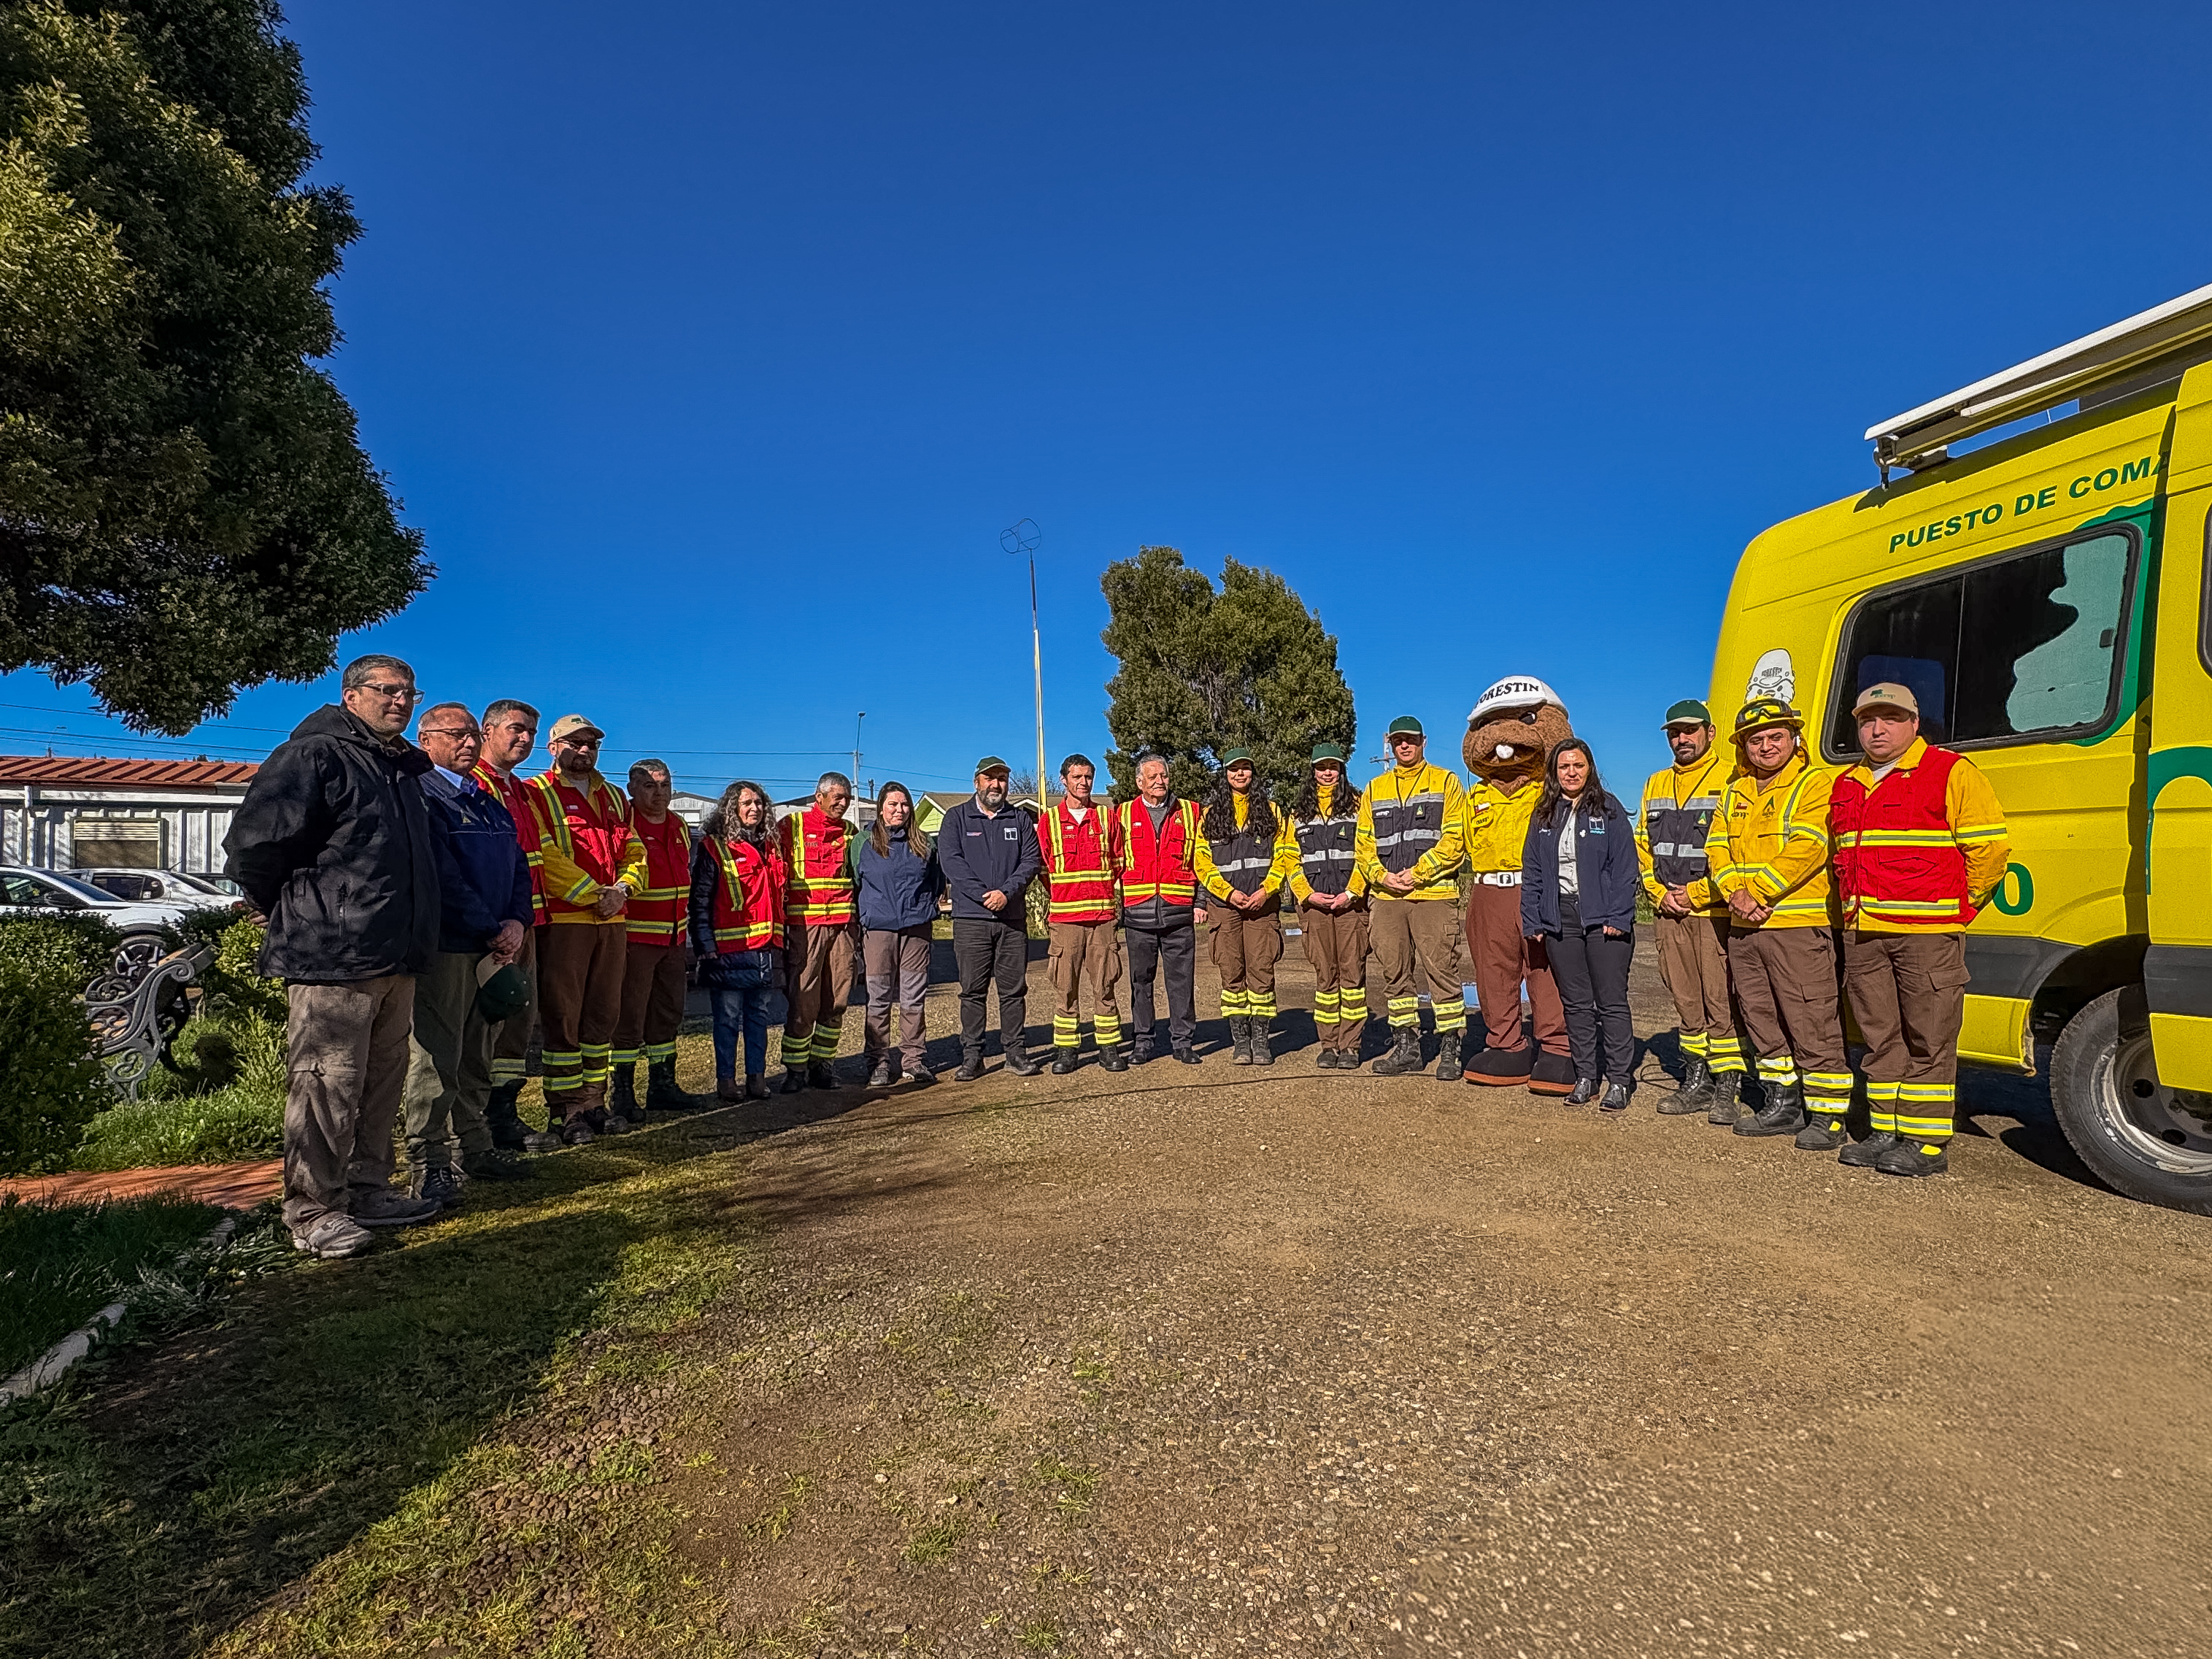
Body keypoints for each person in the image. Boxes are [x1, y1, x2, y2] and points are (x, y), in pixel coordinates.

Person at [223, 653, 442, 1260]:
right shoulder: (314, 755)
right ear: (351, 697)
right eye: (385, 690)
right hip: (332, 953)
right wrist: (287, 907)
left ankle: (369, 1188)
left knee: (379, 1080)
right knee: (326, 1083)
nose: (399, 700)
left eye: (408, 691)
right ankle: (312, 1209)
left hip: (394, 953)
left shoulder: (398, 767)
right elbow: (252, 847)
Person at [1830, 682, 2011, 1176]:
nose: (1877, 728)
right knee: (1878, 1036)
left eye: (1889, 718)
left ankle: (1925, 1141)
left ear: (1913, 723)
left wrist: (1957, 908)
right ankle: (1884, 1130)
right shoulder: (1847, 784)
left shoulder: (1950, 772)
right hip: (1864, 933)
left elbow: (1989, 852)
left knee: (1928, 1037)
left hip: (1926, 934)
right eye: (1867, 720)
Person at [398, 703, 536, 1207]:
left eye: (473, 734)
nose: (469, 743)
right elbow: (443, 876)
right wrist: (489, 926)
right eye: (456, 735)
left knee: (480, 1050)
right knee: (439, 1054)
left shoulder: (484, 799)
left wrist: (517, 920)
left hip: (494, 946)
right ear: (426, 739)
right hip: (449, 945)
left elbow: (519, 864)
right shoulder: (423, 796)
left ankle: (475, 1146)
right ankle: (428, 1162)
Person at [1702, 698, 1850, 1142]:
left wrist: (1757, 891)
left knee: (1811, 1018)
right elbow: (1716, 849)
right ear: (1744, 747)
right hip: (1746, 925)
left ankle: (1829, 1115)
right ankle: (1780, 1102)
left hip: (1796, 924)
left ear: (1794, 739)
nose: (1765, 747)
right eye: (1755, 741)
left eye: (1775, 737)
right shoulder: (1735, 792)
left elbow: (1809, 847)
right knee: (1761, 1017)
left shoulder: (1813, 784)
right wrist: (1735, 894)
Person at [525, 714, 644, 1145]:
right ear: (553, 747)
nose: (585, 750)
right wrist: (594, 893)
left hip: (612, 919)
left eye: (592, 744)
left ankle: (596, 1101)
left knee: (602, 1015)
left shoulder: (613, 797)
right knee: (563, 1016)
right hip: (566, 920)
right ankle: (565, 1111)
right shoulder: (535, 793)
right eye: (575, 743)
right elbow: (542, 854)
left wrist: (623, 889)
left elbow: (634, 849)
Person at [1634, 699, 1746, 1120]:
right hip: (1668, 912)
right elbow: (1642, 845)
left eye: (1690, 731)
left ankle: (1728, 1087)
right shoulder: (1656, 782)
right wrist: (1657, 892)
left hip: (1713, 914)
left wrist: (1697, 895)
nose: (1682, 739)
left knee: (1720, 1001)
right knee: (1684, 998)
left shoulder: (1733, 777)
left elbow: (1735, 847)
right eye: (1674, 733)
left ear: (1710, 733)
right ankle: (1695, 1080)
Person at [1520, 739, 1639, 1111]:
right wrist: (1533, 917)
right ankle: (1586, 1075)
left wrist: (1619, 917)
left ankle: (1619, 1080)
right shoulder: (1544, 815)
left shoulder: (1609, 809)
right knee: (1575, 1004)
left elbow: (1625, 869)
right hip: (1561, 919)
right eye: (1564, 767)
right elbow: (1533, 871)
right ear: (1554, 773)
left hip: (1604, 919)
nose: (1571, 773)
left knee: (1611, 1002)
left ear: (1590, 768)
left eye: (1578, 765)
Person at [1354, 717, 1468, 1079]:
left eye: (1411, 741)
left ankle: (1450, 1048)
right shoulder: (1374, 789)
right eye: (1399, 741)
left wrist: (1418, 873)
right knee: (1395, 975)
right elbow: (1364, 845)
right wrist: (1382, 876)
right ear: (1390, 744)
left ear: (1424, 742)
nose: (1405, 747)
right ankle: (1407, 1046)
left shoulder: (1447, 782)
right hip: (1387, 898)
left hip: (1433, 894)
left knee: (1442, 973)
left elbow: (1456, 839)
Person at [939, 757, 1044, 1080]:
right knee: (972, 991)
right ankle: (973, 1056)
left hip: (1011, 920)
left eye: (1001, 779)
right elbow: (951, 863)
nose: (996, 784)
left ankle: (1015, 1053)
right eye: (990, 778)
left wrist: (1006, 893)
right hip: (971, 919)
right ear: (976, 782)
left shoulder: (1021, 819)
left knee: (1013, 991)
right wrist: (984, 895)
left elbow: (1030, 862)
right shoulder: (956, 818)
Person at [471, 698, 545, 1152]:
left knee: (519, 1019)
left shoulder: (522, 790)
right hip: (490, 927)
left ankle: (504, 1116)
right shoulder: (472, 783)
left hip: (526, 920)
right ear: (487, 731)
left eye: (531, 733)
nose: (524, 739)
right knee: (486, 1023)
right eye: (516, 729)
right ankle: (475, 1124)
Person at [609, 759, 700, 1119]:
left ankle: (663, 1086)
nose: (659, 793)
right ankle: (623, 1093)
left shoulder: (678, 826)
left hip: (675, 940)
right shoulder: (624, 823)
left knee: (668, 1014)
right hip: (636, 940)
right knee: (630, 1018)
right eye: (649, 786)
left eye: (664, 785)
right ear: (632, 789)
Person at [1195, 747, 1298, 1064]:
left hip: (1262, 905)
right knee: (1231, 971)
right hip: (1226, 906)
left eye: (1245, 769)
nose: (1240, 774)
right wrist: (1226, 893)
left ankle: (1262, 1040)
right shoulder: (1209, 815)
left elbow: (1287, 852)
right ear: (1224, 774)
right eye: (1233, 769)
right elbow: (1201, 860)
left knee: (1262, 970)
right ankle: (1241, 1041)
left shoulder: (1272, 811)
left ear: (1253, 773)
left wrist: (1267, 890)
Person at [689, 780, 787, 1101]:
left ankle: (757, 1079)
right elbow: (700, 900)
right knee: (728, 1020)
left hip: (764, 951)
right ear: (732, 808)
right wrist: (705, 947)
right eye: (747, 803)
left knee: (759, 1018)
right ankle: (726, 1081)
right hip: (727, 951)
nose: (754, 809)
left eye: (759, 803)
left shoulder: (772, 846)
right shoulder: (714, 847)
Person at [1111, 753, 1206, 1066]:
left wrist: (1200, 902)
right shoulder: (1121, 814)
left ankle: (1183, 1042)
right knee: (1141, 981)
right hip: (1138, 915)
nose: (1159, 781)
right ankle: (1143, 1041)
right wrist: (1116, 907)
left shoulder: (1191, 812)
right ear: (1139, 782)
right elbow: (1112, 863)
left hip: (1179, 912)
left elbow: (1202, 861)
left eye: (1163, 775)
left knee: (1181, 981)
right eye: (1152, 777)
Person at [1037, 754, 1127, 1074]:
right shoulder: (1048, 821)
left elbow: (1119, 862)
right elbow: (1044, 868)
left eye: (1088, 777)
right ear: (1064, 780)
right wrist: (1067, 896)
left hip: (1102, 920)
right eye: (1077, 777)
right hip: (1065, 921)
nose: (1083, 782)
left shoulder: (1107, 818)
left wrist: (1101, 896)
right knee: (1066, 987)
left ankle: (1108, 1047)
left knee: (1105, 985)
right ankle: (1067, 1051)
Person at [857, 780, 944, 1087]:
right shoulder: (862, 842)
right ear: (881, 808)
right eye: (893, 804)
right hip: (878, 930)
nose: (899, 810)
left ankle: (913, 1060)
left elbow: (935, 883)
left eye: (904, 804)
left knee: (913, 999)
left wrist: (921, 908)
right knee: (878, 999)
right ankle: (879, 1062)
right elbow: (856, 883)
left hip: (916, 929)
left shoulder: (925, 843)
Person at [1288, 744, 1370, 1069]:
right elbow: (1289, 858)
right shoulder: (1298, 811)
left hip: (1350, 905)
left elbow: (1367, 852)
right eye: (1321, 767)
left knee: (1353, 976)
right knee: (1325, 978)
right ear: (1312, 770)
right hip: (1315, 907)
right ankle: (1328, 1044)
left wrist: (1352, 893)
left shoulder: (1358, 805)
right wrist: (1306, 894)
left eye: (1333, 767)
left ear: (1341, 769)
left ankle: (1351, 1045)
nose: (1327, 772)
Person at [778, 771, 860, 1090]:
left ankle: (822, 1064)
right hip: (805, 928)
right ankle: (795, 1070)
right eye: (837, 797)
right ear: (819, 797)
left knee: (838, 998)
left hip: (842, 928)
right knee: (803, 999)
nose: (843, 803)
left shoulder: (852, 832)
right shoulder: (792, 826)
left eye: (847, 798)